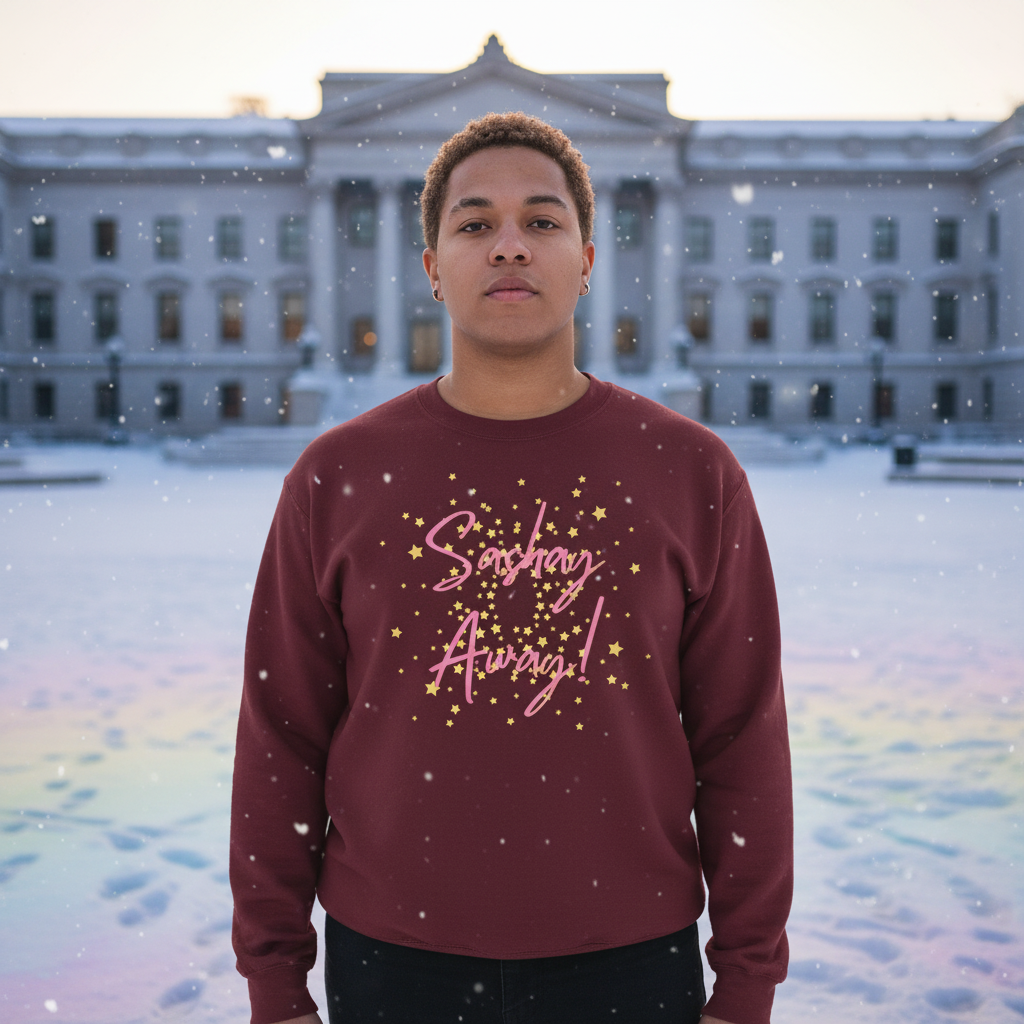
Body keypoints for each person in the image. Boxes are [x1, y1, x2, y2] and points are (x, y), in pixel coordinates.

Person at [229, 112, 792, 1024]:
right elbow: (282, 736)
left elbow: (742, 737)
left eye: (541, 220)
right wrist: (274, 983)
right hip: (391, 964)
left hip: (630, 962)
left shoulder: (689, 471)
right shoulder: (334, 476)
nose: (508, 248)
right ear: (431, 268)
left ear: (586, 260)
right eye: (474, 223)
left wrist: (749, 985)